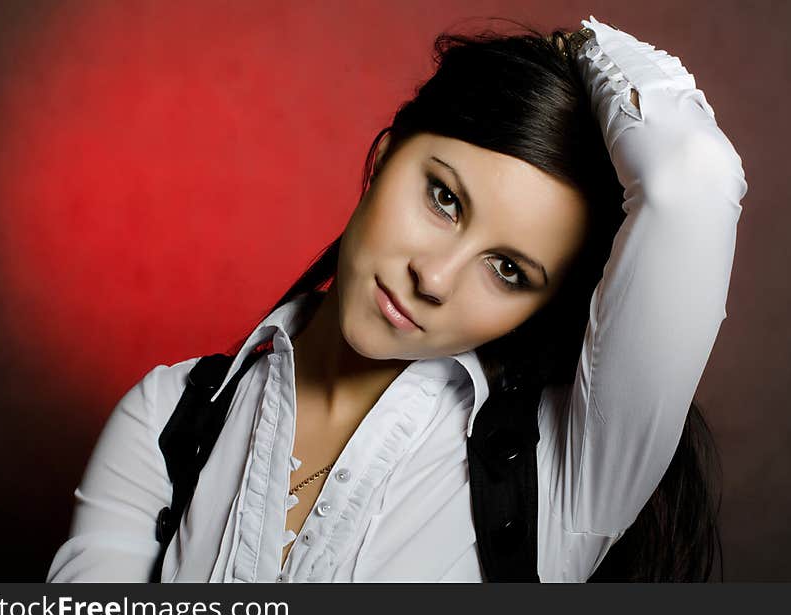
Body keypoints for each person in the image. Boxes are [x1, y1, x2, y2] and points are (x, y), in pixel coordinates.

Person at [47, 15, 748, 583]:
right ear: (384, 158)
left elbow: (692, 180)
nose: (434, 278)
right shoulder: (168, 420)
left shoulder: (560, 472)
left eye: (507, 269)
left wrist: (582, 45)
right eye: (444, 198)